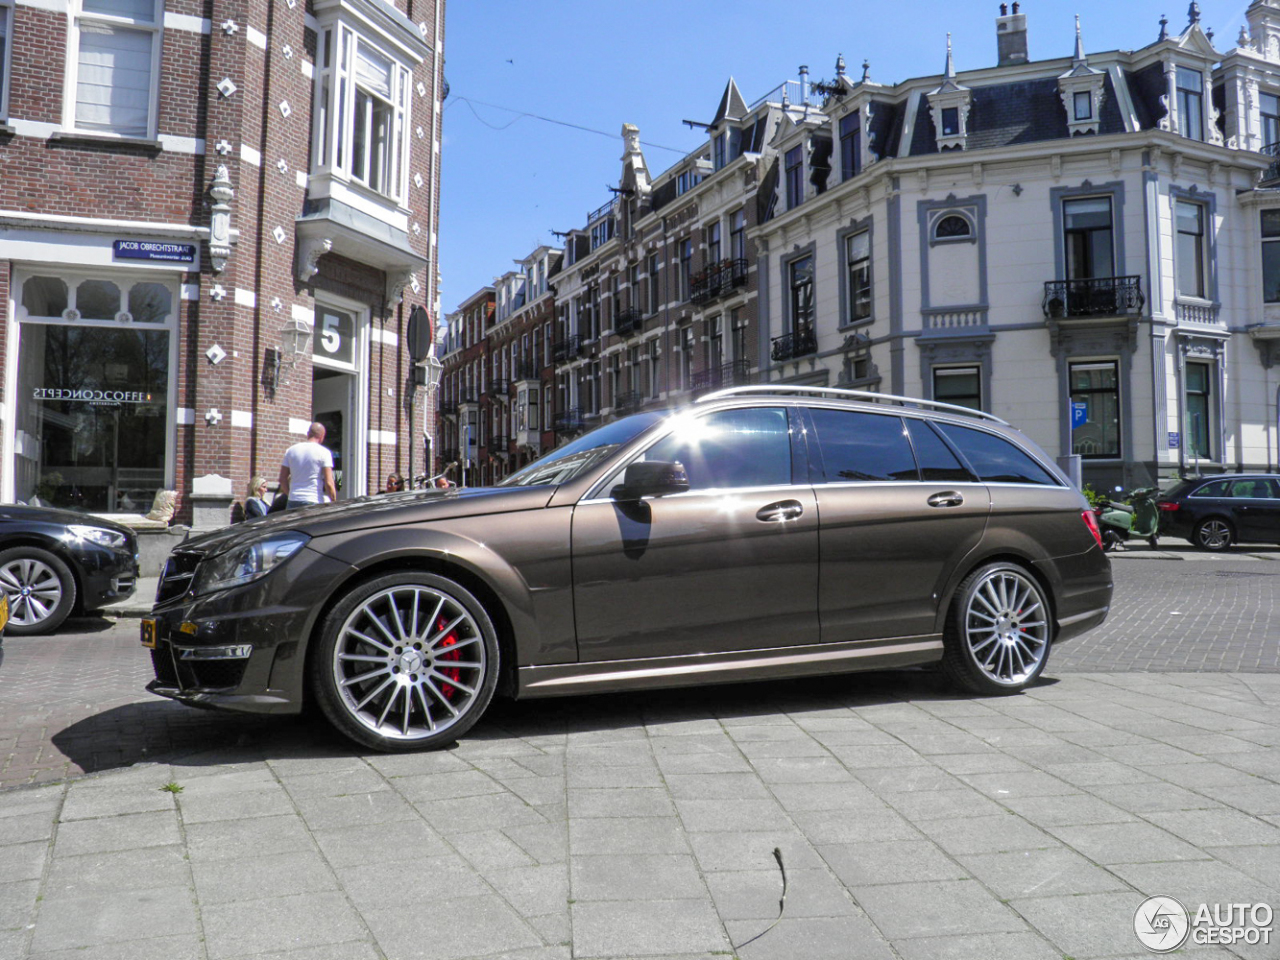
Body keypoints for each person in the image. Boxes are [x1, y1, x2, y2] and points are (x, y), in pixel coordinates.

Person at [278, 422, 338, 508]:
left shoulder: (291, 450)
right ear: (322, 437)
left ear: (308, 434)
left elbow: (282, 479)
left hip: (293, 500)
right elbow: (329, 483)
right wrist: (333, 501)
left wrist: (290, 495)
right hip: (313, 499)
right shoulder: (324, 452)